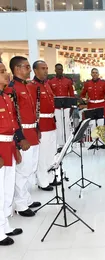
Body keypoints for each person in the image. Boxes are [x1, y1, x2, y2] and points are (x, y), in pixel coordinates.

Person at [4, 56, 41, 217]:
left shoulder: (27, 86)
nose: (29, 70)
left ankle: (26, 198)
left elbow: (32, 111)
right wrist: (20, 138)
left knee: (30, 168)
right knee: (23, 170)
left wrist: (37, 126)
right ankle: (20, 204)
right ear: (17, 69)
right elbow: (14, 116)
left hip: (32, 131)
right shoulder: (11, 89)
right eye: (26, 67)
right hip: (23, 134)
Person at [0, 62, 23, 246]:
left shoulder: (6, 97)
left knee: (7, 188)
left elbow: (13, 126)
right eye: (2, 72)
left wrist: (15, 147)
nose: (6, 74)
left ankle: (5, 224)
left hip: (9, 147)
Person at [27, 60, 58, 192]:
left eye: (46, 68)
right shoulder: (31, 86)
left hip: (51, 122)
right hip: (42, 124)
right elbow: (32, 109)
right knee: (42, 155)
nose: (46, 71)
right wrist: (37, 126)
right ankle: (42, 181)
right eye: (43, 68)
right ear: (35, 71)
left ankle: (51, 177)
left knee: (51, 153)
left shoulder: (47, 84)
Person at [48, 63, 75, 148]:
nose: (59, 71)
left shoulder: (68, 81)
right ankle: (60, 144)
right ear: (55, 70)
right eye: (58, 69)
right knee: (59, 125)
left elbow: (71, 94)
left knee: (67, 124)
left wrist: (72, 106)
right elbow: (50, 95)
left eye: (61, 69)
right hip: (56, 107)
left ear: (62, 70)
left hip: (66, 106)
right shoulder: (51, 81)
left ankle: (68, 143)